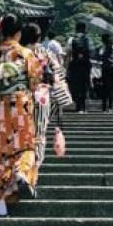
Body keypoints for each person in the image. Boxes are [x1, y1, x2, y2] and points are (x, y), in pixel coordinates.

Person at [0, 13, 41, 217]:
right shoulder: (26, 55)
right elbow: (34, 81)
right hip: (20, 106)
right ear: (19, 33)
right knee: (25, 146)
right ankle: (22, 173)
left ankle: (1, 202)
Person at [20, 22, 67, 167]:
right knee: (38, 136)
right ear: (39, 37)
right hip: (41, 100)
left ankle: (21, 170)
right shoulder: (45, 54)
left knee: (18, 137)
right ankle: (33, 170)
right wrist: (59, 121)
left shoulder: (15, 54)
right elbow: (58, 81)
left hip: (17, 100)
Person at [67, 21, 92, 113]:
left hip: (75, 65)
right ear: (85, 29)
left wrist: (66, 67)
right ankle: (84, 108)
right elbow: (91, 51)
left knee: (76, 85)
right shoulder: (88, 39)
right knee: (84, 85)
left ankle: (78, 107)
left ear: (76, 29)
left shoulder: (71, 39)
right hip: (85, 65)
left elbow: (68, 53)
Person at [98, 32, 113, 112]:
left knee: (105, 88)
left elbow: (100, 57)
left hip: (106, 69)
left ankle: (104, 107)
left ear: (103, 41)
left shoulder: (102, 48)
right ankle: (110, 107)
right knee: (111, 88)